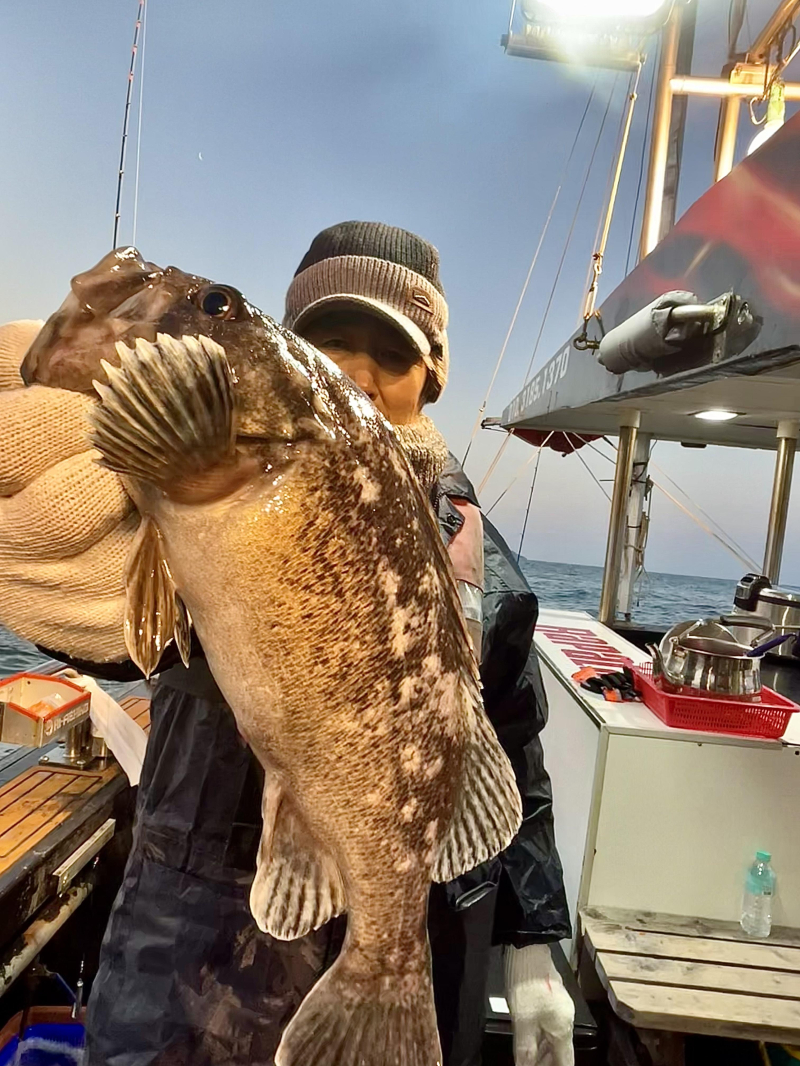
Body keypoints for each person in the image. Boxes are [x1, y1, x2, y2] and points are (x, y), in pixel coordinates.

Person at [0, 222, 574, 1066]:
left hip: (412, 941)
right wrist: (80, 584)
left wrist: (535, 938)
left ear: (436, 374)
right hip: (183, 959)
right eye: (330, 340)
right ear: (293, 352)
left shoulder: (490, 564)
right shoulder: (194, 486)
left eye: (394, 351)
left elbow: (512, 753)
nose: (360, 371)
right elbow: (133, 648)